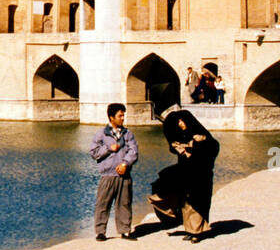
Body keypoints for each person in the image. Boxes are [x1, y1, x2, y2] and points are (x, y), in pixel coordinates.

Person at [148, 109, 219, 242]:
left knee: (198, 201)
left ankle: (198, 232)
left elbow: (213, 147)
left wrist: (200, 142)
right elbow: (175, 147)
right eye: (178, 122)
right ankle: (190, 230)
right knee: (185, 201)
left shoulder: (201, 134)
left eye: (182, 121)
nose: (181, 124)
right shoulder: (180, 136)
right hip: (187, 171)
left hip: (201, 173)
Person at [89, 102, 138, 241]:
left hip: (124, 174)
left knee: (124, 203)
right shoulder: (101, 134)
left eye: (123, 115)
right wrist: (109, 148)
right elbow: (94, 153)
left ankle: (125, 231)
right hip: (107, 175)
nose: (123, 118)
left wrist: (125, 164)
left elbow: (133, 151)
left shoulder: (128, 134)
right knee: (103, 204)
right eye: (120, 116)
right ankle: (100, 232)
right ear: (111, 117)